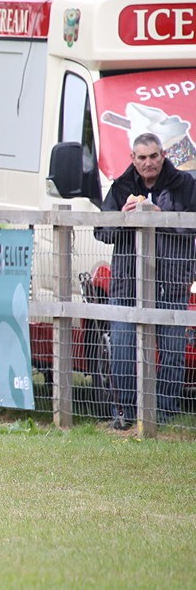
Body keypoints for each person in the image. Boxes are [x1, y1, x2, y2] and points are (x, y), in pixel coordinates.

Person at [94, 132, 196, 429]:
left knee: (173, 353)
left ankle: (163, 414)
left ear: (163, 155)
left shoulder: (186, 186)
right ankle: (125, 413)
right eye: (142, 157)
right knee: (123, 350)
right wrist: (123, 218)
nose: (148, 163)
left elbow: (191, 227)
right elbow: (101, 231)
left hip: (172, 283)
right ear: (132, 159)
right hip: (127, 284)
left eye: (153, 156)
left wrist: (163, 218)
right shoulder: (120, 187)